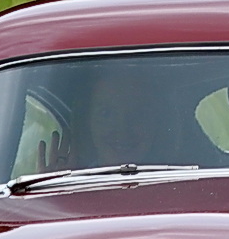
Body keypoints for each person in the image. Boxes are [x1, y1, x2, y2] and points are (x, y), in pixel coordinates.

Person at [32, 68, 161, 172]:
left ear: (156, 121)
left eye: (138, 114)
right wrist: (57, 191)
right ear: (88, 122)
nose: (122, 130)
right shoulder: (74, 187)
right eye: (106, 114)